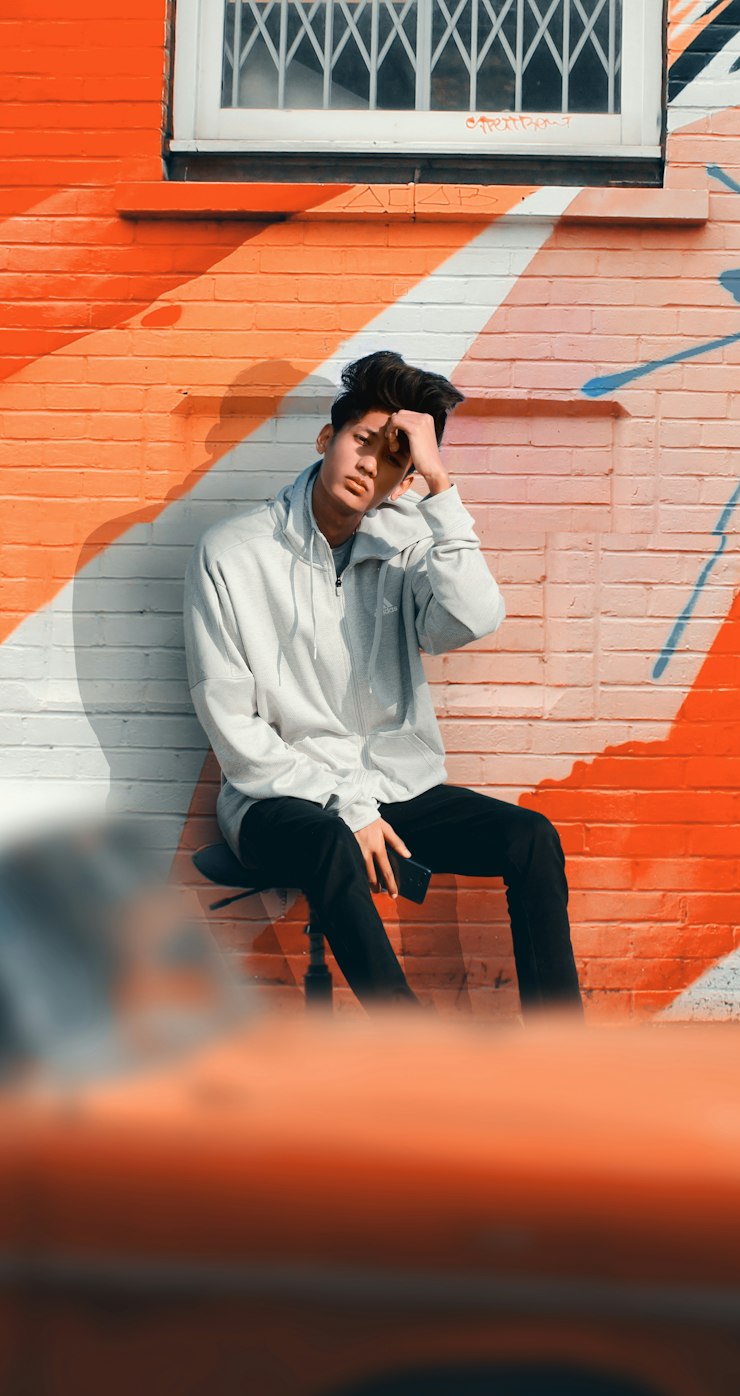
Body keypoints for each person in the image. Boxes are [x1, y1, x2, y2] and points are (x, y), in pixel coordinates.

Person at [184, 351, 582, 1013]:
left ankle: (559, 1049)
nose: (369, 463)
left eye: (392, 458)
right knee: (330, 838)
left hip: (388, 784)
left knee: (531, 838)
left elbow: (475, 618)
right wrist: (346, 804)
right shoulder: (232, 552)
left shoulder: (404, 546)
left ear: (403, 479)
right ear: (327, 439)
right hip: (278, 796)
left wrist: (441, 490)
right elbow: (235, 731)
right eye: (360, 441)